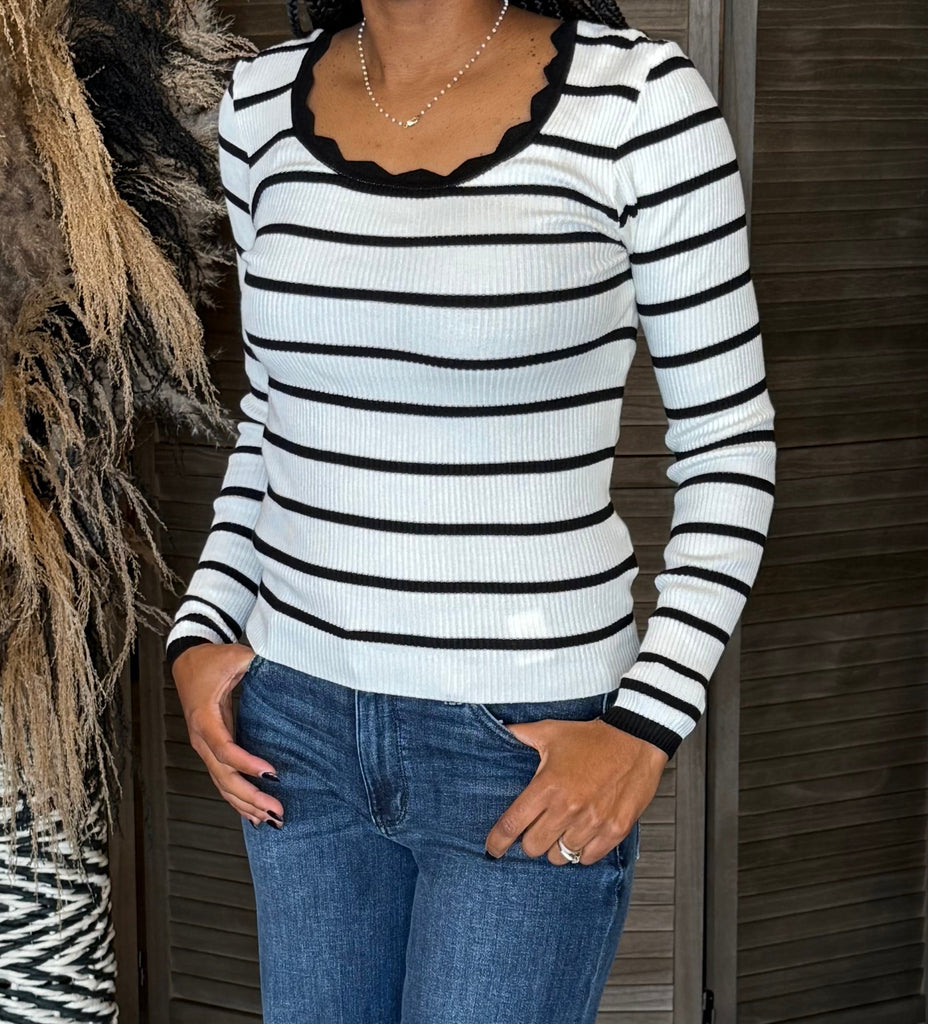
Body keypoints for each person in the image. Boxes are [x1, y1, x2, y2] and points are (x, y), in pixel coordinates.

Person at [167, 0, 776, 1018]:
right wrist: (201, 628)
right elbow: (273, 417)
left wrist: (645, 725)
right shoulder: (259, 103)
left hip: (520, 746)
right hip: (293, 732)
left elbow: (729, 447)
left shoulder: (637, 103)